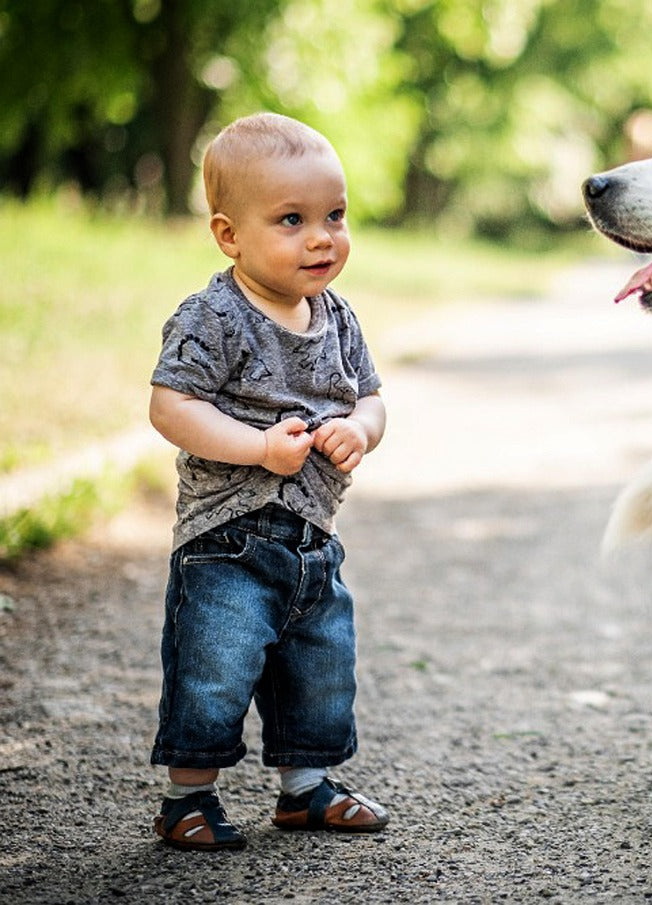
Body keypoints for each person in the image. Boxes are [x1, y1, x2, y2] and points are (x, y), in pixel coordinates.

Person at [147, 112, 388, 851]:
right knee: (213, 667)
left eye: (334, 216)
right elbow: (170, 405)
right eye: (292, 220)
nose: (322, 237)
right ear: (229, 235)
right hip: (227, 541)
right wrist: (256, 447)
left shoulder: (338, 318)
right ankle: (188, 796)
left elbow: (370, 397)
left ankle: (304, 787)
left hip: (315, 540)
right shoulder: (213, 316)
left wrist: (361, 430)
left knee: (318, 666)